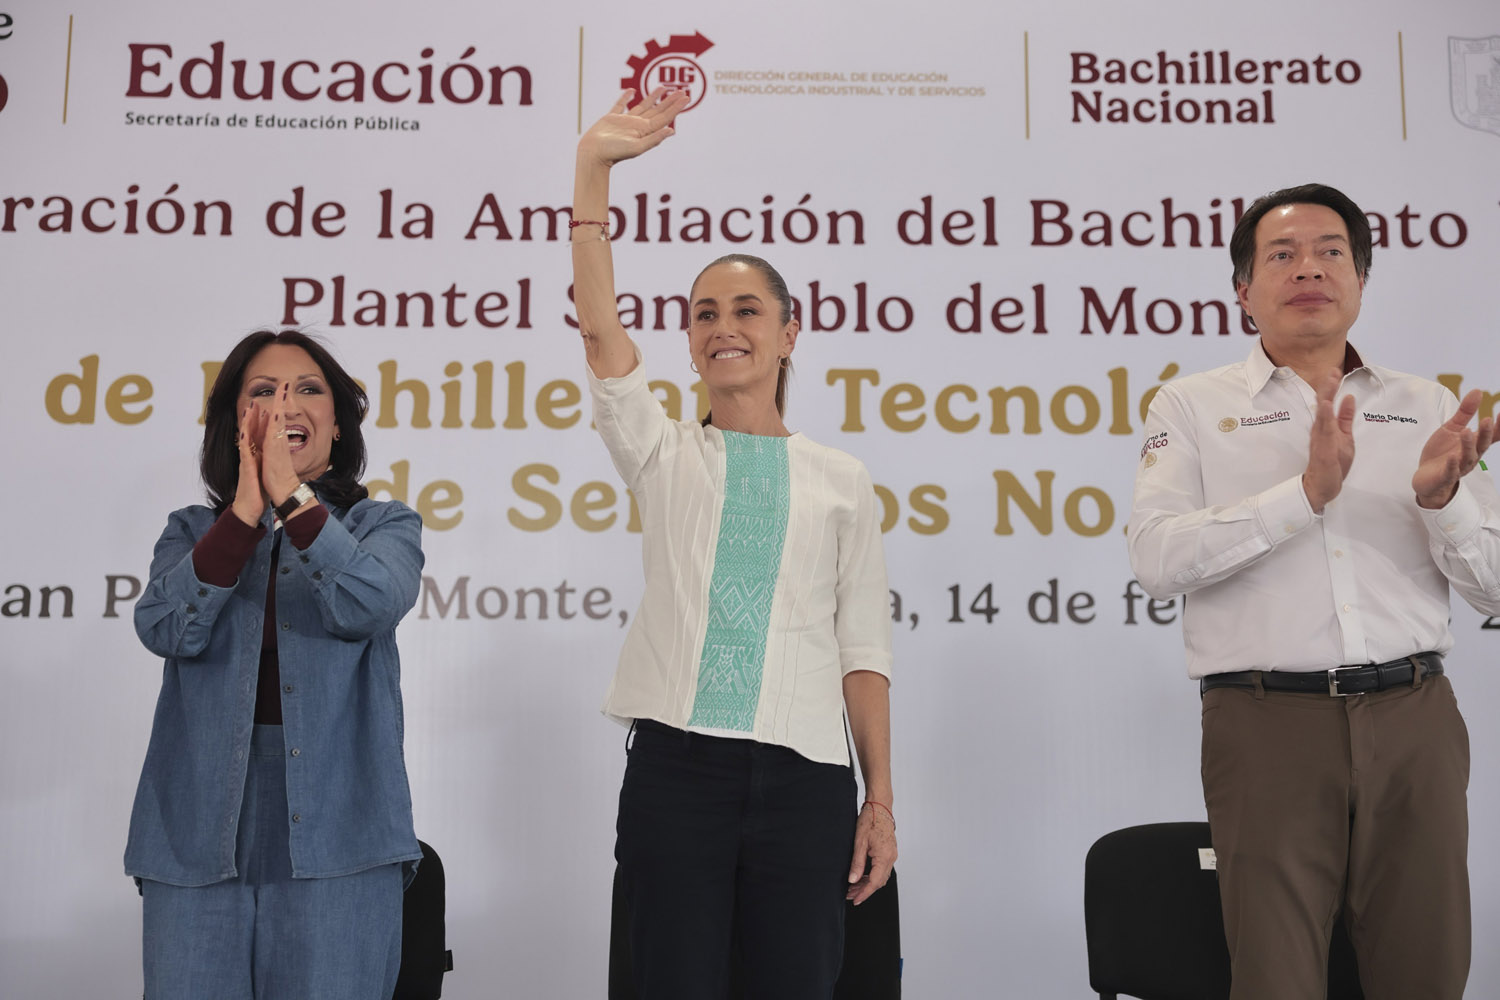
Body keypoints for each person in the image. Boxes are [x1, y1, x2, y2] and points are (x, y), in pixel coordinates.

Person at [1127, 183, 1498, 999]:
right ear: (1243, 290)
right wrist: (1304, 495)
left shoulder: (1427, 406)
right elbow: (1156, 559)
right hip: (1265, 719)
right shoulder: (1190, 405)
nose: (1309, 269)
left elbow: (1495, 590)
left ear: (1360, 280)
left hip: (1415, 718)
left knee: (1427, 968)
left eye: (1332, 252)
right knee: (1277, 976)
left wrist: (1446, 501)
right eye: (1283, 255)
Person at [571, 88, 897, 999]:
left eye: (748, 310)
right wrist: (592, 171)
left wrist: (878, 797)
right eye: (705, 314)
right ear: (688, 344)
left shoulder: (843, 478)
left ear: (790, 333)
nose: (724, 328)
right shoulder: (662, 450)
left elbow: (863, 652)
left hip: (808, 783)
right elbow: (599, 329)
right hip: (678, 774)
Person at [124, 329, 425, 1000]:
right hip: (195, 829)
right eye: (263, 392)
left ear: (338, 426)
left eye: (307, 390)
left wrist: (292, 498)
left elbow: (370, 603)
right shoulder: (192, 531)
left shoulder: (382, 525)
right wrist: (244, 513)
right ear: (235, 425)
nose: (286, 405)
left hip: (344, 827)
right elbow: (165, 626)